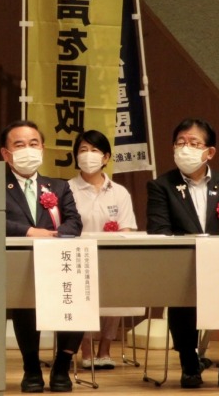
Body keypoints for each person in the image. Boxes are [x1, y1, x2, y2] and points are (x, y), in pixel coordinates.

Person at [146, 118, 219, 388]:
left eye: (194, 143)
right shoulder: (162, 186)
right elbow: (160, 230)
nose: (186, 148)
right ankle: (189, 363)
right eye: (180, 143)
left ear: (210, 152)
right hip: (184, 266)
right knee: (182, 293)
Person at [1, 120, 83, 393]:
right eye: (20, 145)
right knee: (25, 306)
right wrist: (29, 231)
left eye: (33, 143)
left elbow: (74, 222)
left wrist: (55, 235)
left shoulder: (58, 186)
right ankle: (31, 368)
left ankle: (62, 366)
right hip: (18, 262)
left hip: (58, 260)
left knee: (76, 300)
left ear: (42, 149)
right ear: (6, 153)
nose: (28, 149)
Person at [67, 130, 137, 370]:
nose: (88, 155)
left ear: (106, 157)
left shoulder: (119, 192)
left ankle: (105, 349)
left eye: (94, 150)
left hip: (111, 257)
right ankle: (85, 349)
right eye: (83, 150)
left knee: (117, 292)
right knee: (82, 295)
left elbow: (127, 228)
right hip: (78, 258)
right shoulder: (67, 189)